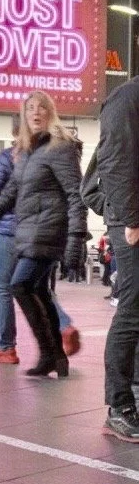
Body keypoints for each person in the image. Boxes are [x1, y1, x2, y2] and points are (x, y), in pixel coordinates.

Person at [0, 92, 87, 378]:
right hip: (29, 230)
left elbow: (76, 194)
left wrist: (76, 237)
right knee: (36, 289)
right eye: (30, 109)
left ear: (51, 113)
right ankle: (56, 358)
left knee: (20, 285)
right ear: (24, 117)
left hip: (48, 230)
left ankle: (48, 353)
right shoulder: (27, 153)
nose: (36, 113)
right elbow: (9, 194)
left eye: (41, 108)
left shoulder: (59, 148)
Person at [94, 73, 139, 440]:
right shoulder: (127, 98)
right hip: (132, 223)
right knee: (132, 311)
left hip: (130, 217)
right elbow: (114, 162)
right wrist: (131, 218)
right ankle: (119, 406)